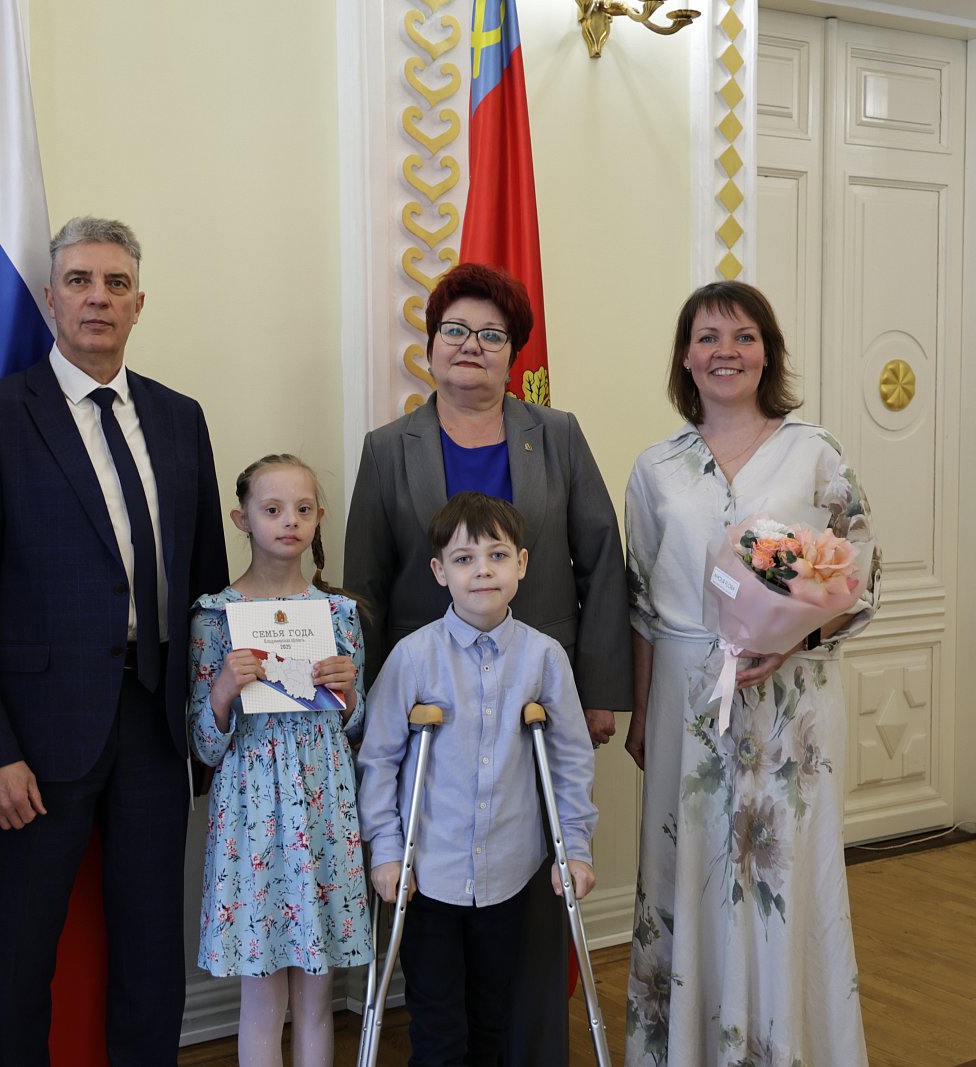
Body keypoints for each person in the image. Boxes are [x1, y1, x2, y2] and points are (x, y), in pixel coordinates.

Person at [0, 216, 229, 1065]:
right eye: (79, 280)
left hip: (155, 722)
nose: (98, 297)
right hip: (34, 737)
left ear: (139, 303)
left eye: (115, 283)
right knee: (24, 951)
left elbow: (207, 582)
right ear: (51, 297)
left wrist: (211, 730)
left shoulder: (179, 418)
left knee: (151, 946)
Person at [620, 281, 880, 1066]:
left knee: (784, 875)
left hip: (790, 700)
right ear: (685, 357)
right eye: (707, 337)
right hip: (686, 697)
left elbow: (864, 573)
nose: (725, 351)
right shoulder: (656, 467)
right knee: (688, 868)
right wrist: (642, 714)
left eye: (743, 336)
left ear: (768, 352)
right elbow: (640, 601)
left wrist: (793, 640)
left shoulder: (816, 451)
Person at [344, 262, 630, 749]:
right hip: (424, 692)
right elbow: (365, 586)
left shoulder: (558, 434)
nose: (470, 345)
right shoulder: (386, 449)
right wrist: (366, 703)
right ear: (431, 346)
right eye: (455, 330)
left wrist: (599, 691)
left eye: (492, 336)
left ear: (513, 356)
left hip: (542, 688)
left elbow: (601, 564)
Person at [357, 491, 597, 1067]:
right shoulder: (413, 657)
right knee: (438, 1026)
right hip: (427, 874)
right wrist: (386, 851)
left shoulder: (544, 658)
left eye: (497, 555)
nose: (482, 570)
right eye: (464, 559)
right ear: (440, 571)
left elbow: (569, 760)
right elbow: (378, 759)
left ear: (522, 564)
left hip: (510, 874)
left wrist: (576, 847)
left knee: (494, 1021)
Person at [189, 454, 372, 1067]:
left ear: (319, 518)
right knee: (262, 998)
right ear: (242, 519)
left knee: (318, 995)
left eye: (303, 508)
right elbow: (204, 745)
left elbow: (357, 728)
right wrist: (222, 690)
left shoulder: (339, 615)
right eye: (272, 509)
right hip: (252, 817)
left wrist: (349, 694)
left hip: (324, 812)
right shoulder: (215, 617)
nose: (289, 520)